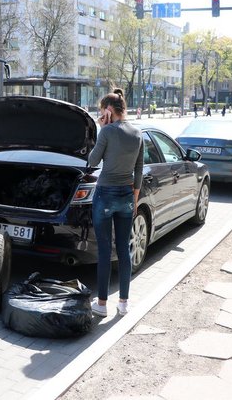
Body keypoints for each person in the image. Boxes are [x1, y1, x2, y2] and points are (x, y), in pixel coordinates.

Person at [88, 88, 144, 317]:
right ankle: (123, 303)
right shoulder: (137, 132)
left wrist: (102, 128)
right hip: (127, 195)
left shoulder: (107, 131)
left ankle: (101, 305)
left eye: (102, 111)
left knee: (104, 251)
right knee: (123, 249)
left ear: (109, 110)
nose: (101, 114)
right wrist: (136, 196)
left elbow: (92, 161)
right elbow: (139, 168)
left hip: (105, 195)